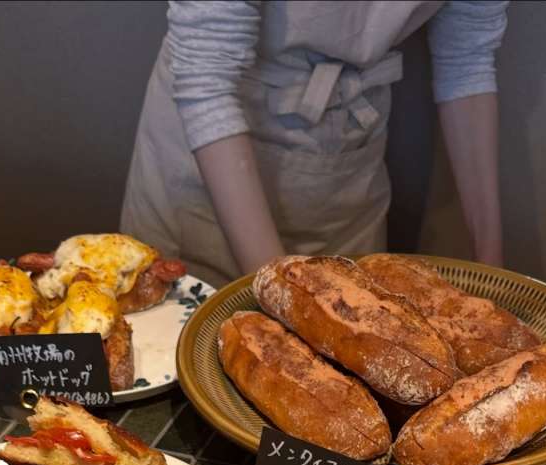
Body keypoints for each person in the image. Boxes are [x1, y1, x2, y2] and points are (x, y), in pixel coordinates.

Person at [122, 0, 509, 287]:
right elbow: (207, 79)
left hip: (346, 161)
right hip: (212, 155)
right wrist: (285, 297)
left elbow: (468, 58)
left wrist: (492, 270)